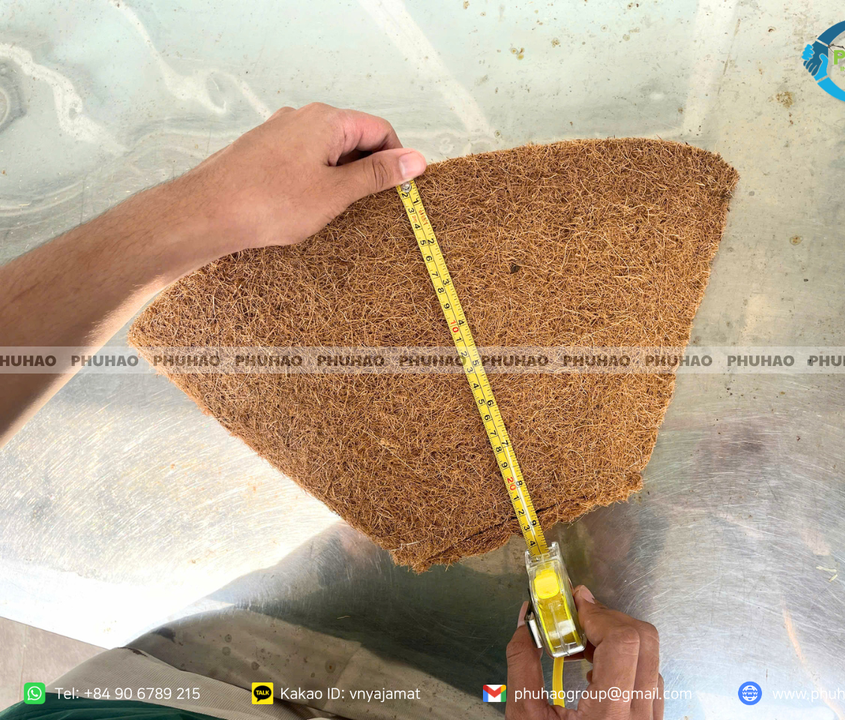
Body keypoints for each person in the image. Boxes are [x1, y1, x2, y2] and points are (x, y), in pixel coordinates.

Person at [0, 104, 662, 719]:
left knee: (377, 558)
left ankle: (367, 551)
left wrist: (198, 210)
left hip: (196, 666)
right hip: (422, 686)